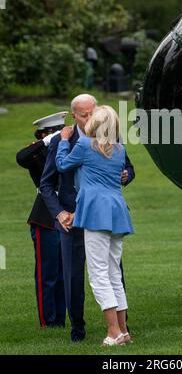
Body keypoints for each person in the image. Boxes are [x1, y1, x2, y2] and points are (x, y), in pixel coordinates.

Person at [39, 94, 135, 343]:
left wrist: (62, 141)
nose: (89, 118)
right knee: (109, 273)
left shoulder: (82, 145)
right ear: (75, 116)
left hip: (92, 214)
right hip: (111, 214)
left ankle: (114, 331)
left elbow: (62, 165)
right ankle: (117, 331)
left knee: (100, 275)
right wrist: (60, 213)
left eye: (93, 114)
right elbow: (47, 184)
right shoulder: (118, 147)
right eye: (85, 114)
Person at [16, 112, 67, 328]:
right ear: (43, 134)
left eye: (59, 131)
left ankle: (62, 321)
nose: (57, 135)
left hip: (67, 213)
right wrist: (45, 142)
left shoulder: (67, 149)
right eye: (52, 133)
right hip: (45, 216)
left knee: (65, 274)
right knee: (47, 273)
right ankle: (48, 322)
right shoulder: (38, 153)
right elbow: (21, 157)